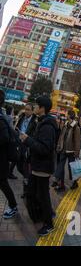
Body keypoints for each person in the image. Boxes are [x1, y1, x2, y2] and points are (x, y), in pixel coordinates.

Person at [19, 96, 57, 236]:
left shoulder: (47, 126)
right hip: (37, 165)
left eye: (36, 105)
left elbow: (44, 148)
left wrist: (27, 140)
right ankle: (44, 215)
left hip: (42, 167)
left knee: (43, 195)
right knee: (32, 193)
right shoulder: (41, 122)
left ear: (42, 108)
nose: (34, 107)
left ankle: (49, 223)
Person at [0, 89, 19, 220]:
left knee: (3, 183)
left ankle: (13, 206)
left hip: (1, 159)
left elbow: (4, 138)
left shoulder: (1, 118)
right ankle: (13, 206)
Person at [9, 103, 37, 180]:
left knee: (24, 163)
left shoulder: (35, 122)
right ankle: (26, 177)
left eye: (28, 110)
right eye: (25, 109)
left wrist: (28, 140)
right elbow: (15, 128)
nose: (26, 111)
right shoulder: (21, 118)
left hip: (26, 144)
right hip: (18, 142)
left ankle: (27, 178)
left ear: (32, 111)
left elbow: (34, 135)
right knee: (18, 163)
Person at [54, 110, 81, 191]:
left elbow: (77, 141)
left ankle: (75, 182)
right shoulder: (65, 125)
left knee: (71, 168)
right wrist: (58, 145)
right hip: (63, 149)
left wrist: (77, 152)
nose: (66, 115)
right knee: (60, 165)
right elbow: (61, 136)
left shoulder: (76, 127)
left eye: (67, 114)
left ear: (69, 115)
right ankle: (57, 180)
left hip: (71, 151)